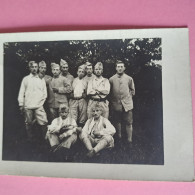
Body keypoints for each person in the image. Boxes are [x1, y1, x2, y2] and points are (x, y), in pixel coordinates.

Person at [18, 61, 48, 140]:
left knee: (44, 122)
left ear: (38, 68)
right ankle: (30, 139)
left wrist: (41, 103)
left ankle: (44, 139)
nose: (34, 69)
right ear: (29, 68)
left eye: (35, 67)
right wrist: (21, 104)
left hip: (39, 106)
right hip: (28, 106)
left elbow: (45, 94)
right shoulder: (26, 79)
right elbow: (22, 92)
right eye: (32, 67)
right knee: (28, 123)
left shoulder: (41, 79)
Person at [109, 60, 135, 143]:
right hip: (116, 104)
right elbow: (109, 92)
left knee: (129, 121)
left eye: (121, 67)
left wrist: (128, 98)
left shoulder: (129, 78)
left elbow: (132, 90)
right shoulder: (111, 79)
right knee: (117, 121)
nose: (120, 68)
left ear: (124, 68)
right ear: (116, 68)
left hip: (127, 104)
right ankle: (119, 137)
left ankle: (129, 140)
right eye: (118, 67)